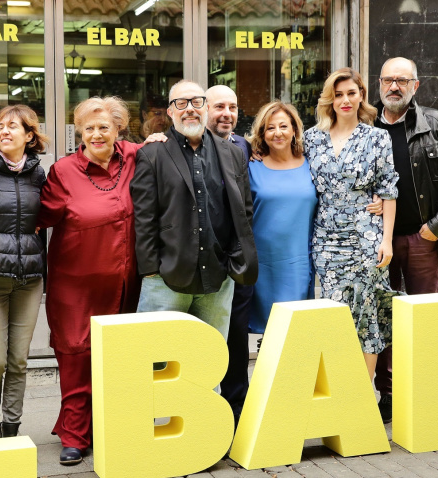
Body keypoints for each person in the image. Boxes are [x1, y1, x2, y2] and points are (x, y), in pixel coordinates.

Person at [36, 96, 167, 466]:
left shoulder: (137, 157)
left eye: (104, 127)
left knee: (124, 360)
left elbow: (166, 156)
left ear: (118, 129)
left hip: (127, 283)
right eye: (89, 128)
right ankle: (75, 435)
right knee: (77, 356)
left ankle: (116, 426)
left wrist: (161, 140)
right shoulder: (63, 171)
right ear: (79, 131)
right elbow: (38, 217)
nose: (96, 134)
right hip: (76, 285)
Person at [373, 57, 438, 423]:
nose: (394, 86)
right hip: (378, 241)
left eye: (402, 80)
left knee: (424, 318)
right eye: (388, 80)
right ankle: (389, 394)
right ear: (379, 84)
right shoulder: (366, 125)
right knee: (383, 319)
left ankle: (425, 391)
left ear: (416, 85)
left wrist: (437, 226)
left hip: (421, 239)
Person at [131, 80, 258, 342]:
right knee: (157, 358)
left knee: (211, 359)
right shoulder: (152, 154)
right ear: (171, 112)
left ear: (206, 107)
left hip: (218, 280)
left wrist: (233, 261)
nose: (189, 108)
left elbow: (243, 211)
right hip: (166, 279)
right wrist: (151, 269)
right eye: (181, 103)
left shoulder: (233, 154)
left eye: (196, 102)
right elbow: (144, 218)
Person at [304, 67, 400, 382]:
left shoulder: (377, 137)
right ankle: (340, 387)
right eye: (338, 94)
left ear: (361, 96)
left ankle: (363, 393)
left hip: (366, 237)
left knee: (366, 311)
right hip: (325, 239)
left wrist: (386, 240)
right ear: (330, 100)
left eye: (351, 93)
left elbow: (389, 190)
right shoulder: (312, 138)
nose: (345, 100)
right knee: (335, 314)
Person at [0, 105, 48, 440]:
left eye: (13, 126)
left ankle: (11, 429)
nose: (4, 131)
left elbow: (50, 214)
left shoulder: (40, 176)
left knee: (18, 361)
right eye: (0, 125)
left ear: (29, 135)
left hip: (29, 278)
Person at [204, 84, 253, 428]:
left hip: (237, 259)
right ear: (204, 109)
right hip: (203, 261)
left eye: (232, 107)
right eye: (219, 106)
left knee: (236, 336)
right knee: (207, 340)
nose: (227, 113)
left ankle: (236, 409)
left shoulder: (243, 146)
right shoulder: (184, 145)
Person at [246, 101, 318, 333]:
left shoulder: (312, 163)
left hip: (299, 261)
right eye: (270, 128)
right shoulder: (250, 166)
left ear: (294, 130)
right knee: (267, 330)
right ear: (262, 134)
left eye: (283, 126)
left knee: (295, 330)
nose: (277, 133)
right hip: (263, 263)